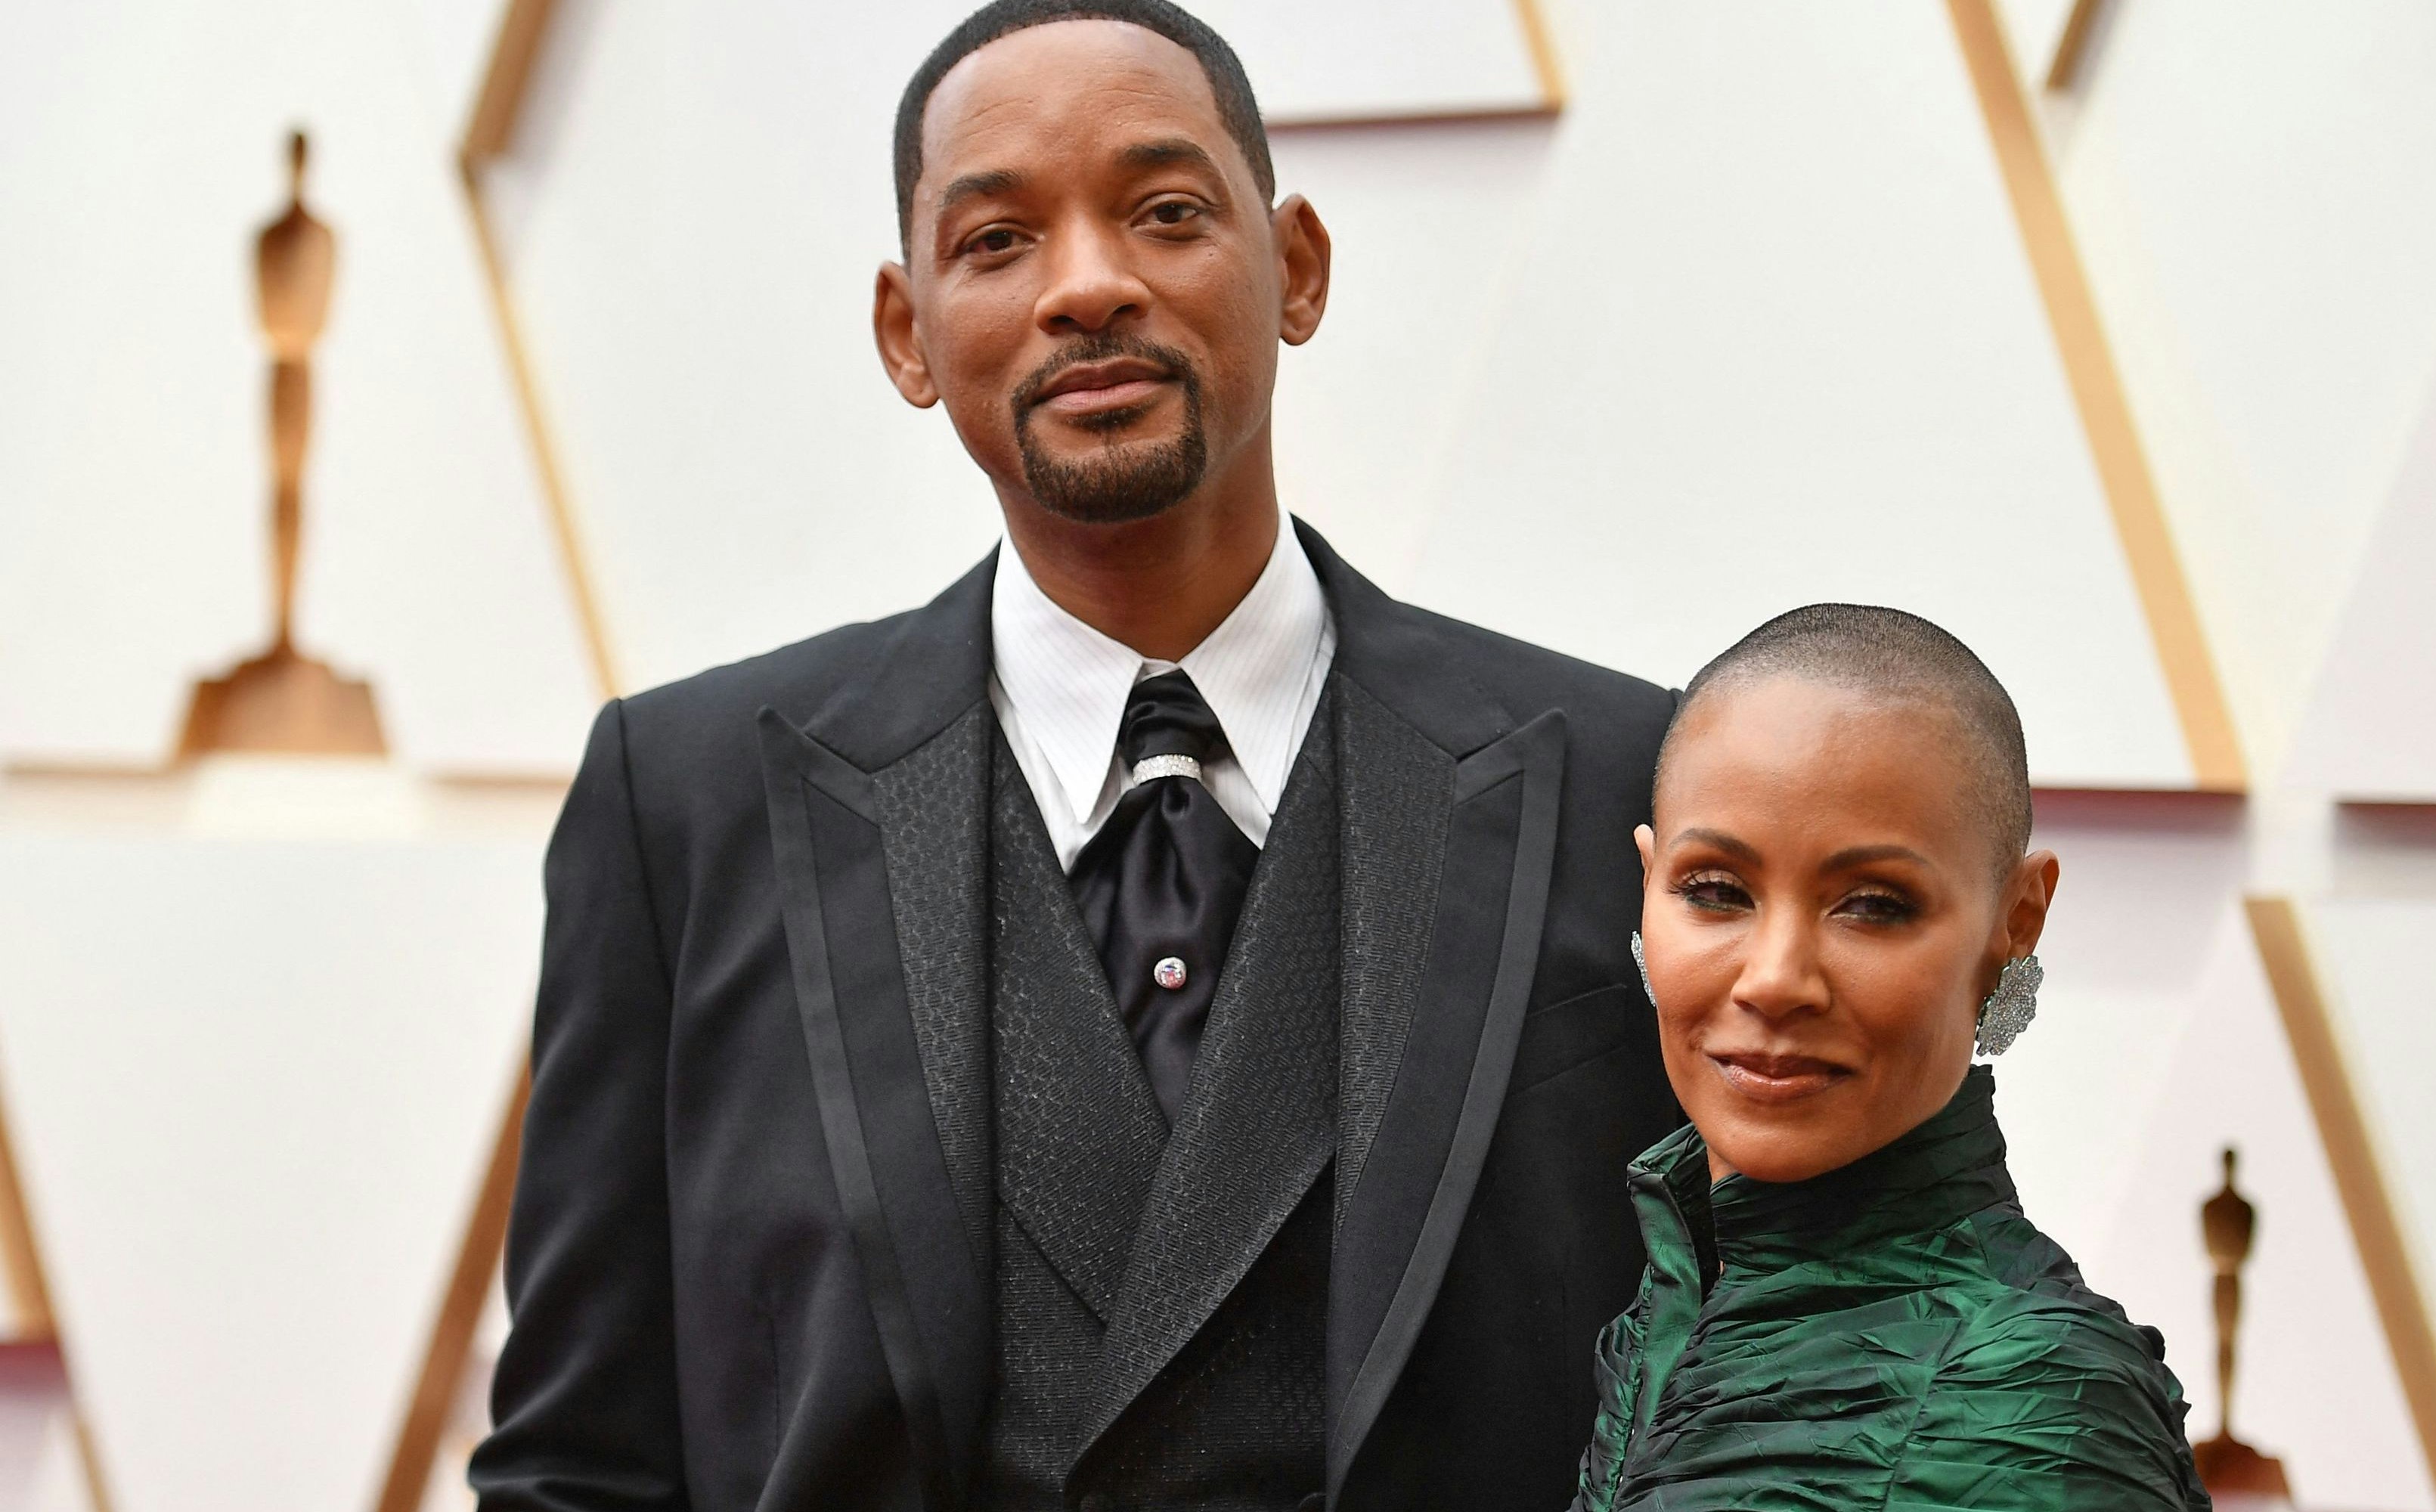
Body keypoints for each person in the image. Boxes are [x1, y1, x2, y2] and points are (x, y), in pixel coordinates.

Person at [468, 4, 1677, 1509]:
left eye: (1164, 213)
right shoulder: (685, 802)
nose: (1088, 287)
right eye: (995, 243)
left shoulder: (1626, 780)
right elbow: (582, 1458)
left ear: (1294, 267)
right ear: (906, 332)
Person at [1576, 606, 2209, 1512]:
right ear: (1646, 887)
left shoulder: (2029, 1398)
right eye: (1715, 891)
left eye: (1873, 904)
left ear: (2017, 917)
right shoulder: (1660, 1319)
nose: (1775, 978)